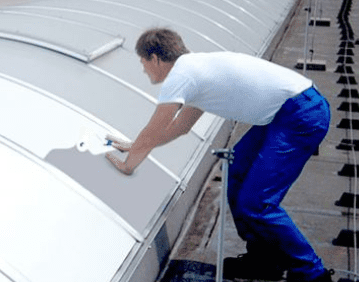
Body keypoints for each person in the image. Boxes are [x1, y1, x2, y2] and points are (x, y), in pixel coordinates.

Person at [105, 28, 332, 282]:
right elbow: (180, 128)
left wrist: (129, 165)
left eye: (143, 62)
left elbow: (155, 128)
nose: (144, 69)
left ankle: (312, 274)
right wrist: (136, 145)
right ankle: (264, 259)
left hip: (300, 114)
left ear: (156, 59)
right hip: (286, 112)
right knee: (235, 174)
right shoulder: (195, 71)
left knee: (256, 202)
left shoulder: (181, 76)